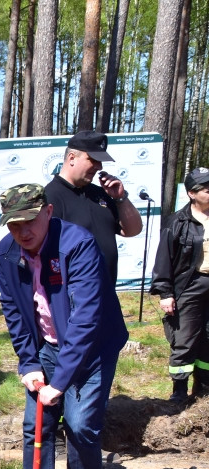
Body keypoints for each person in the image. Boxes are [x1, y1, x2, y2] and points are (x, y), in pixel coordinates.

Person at [0, 183, 128, 469]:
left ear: (48, 212)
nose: (22, 232)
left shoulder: (77, 245)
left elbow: (87, 318)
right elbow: (14, 311)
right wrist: (28, 363)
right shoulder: (8, 252)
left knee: (81, 424)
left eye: (29, 221)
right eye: (13, 224)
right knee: (35, 425)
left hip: (92, 347)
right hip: (47, 348)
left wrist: (60, 381)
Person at [44, 130, 143, 285]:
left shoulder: (101, 194)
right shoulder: (50, 196)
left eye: (100, 161)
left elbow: (132, 230)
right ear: (72, 158)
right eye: (93, 160)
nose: (99, 166)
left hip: (107, 291)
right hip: (74, 295)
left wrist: (121, 198)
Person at [150, 167, 209, 403]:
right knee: (184, 339)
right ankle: (179, 393)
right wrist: (166, 292)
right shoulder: (177, 221)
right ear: (192, 194)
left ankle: (204, 390)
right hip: (189, 285)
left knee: (208, 337)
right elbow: (164, 258)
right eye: (207, 189)